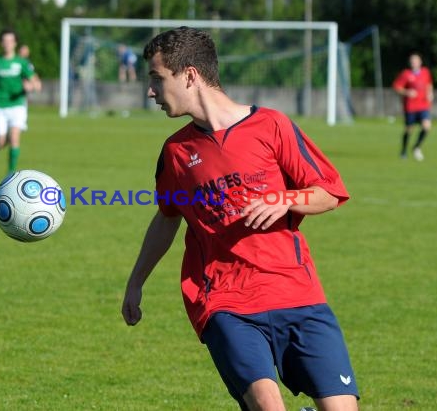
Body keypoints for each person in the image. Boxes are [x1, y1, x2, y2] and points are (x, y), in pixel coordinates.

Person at [121, 27, 359, 411]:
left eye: (156, 78)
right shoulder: (176, 152)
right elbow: (167, 218)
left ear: (190, 75)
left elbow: (329, 190)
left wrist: (285, 198)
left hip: (297, 292)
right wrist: (135, 283)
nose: (150, 91)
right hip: (225, 301)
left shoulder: (272, 126)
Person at [0, 29, 39, 174]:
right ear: (1, 43)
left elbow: (36, 83)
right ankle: (3, 138)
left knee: (14, 137)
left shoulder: (21, 63)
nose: (7, 44)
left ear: (15, 43)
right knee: (0, 143)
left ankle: (10, 173)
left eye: (10, 41)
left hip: (17, 105)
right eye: (4, 41)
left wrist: (31, 86)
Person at [392, 53, 433, 161]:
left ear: (420, 62)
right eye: (412, 61)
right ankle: (404, 150)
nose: (414, 62)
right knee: (409, 130)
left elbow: (429, 84)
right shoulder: (406, 74)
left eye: (416, 60)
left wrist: (430, 93)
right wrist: (407, 92)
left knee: (427, 126)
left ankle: (416, 147)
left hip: (423, 105)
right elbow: (396, 87)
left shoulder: (425, 72)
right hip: (410, 106)